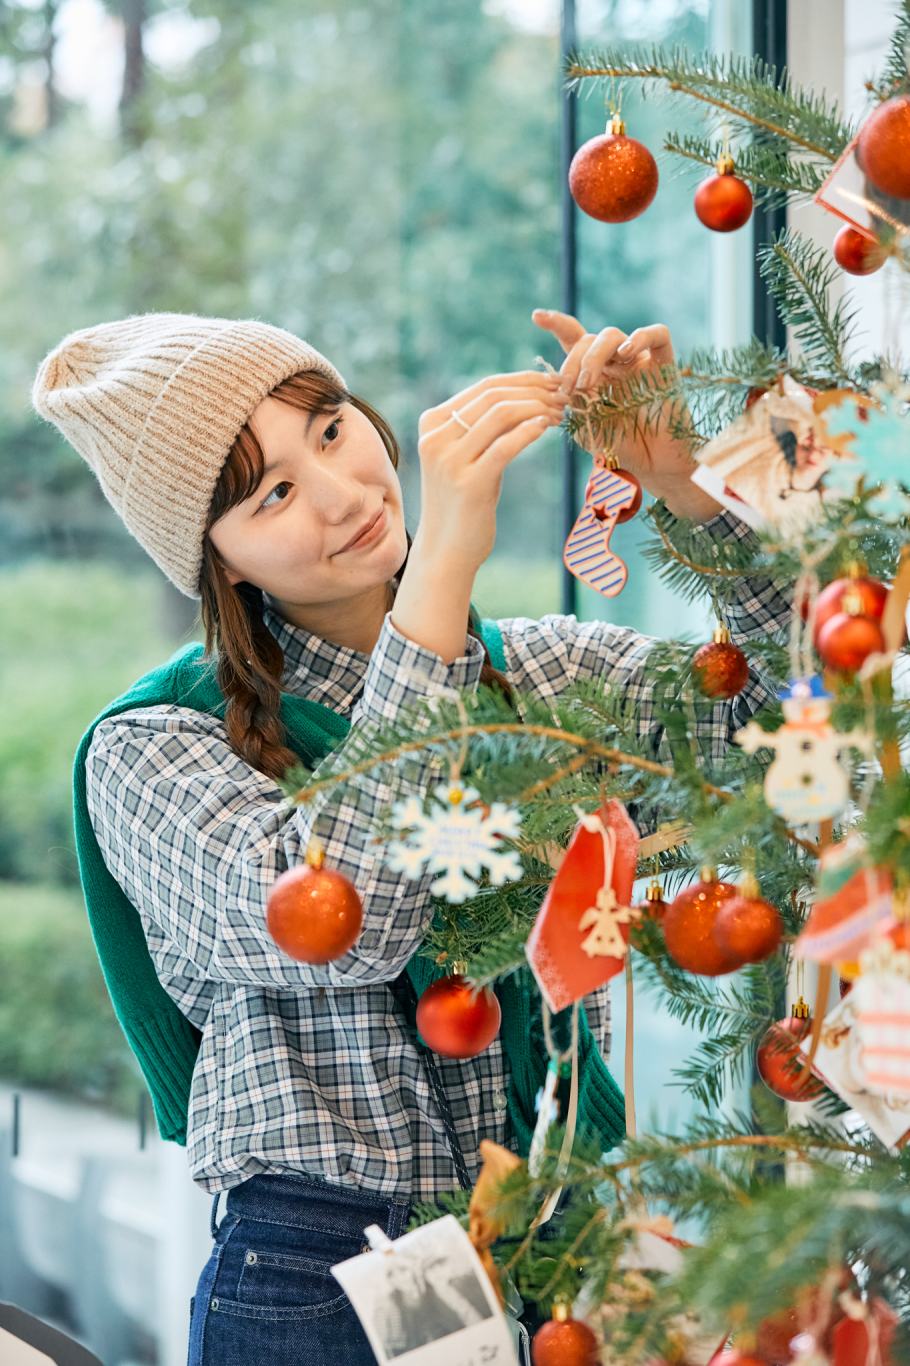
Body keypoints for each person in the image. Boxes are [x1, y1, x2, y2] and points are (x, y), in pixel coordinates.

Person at [31, 308, 792, 1365]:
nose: (343, 494)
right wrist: (437, 577)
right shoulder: (152, 748)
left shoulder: (535, 678)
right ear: (220, 561)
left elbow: (784, 729)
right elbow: (348, 921)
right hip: (323, 1275)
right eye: (275, 492)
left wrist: (685, 487)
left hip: (557, 1233)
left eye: (333, 429)